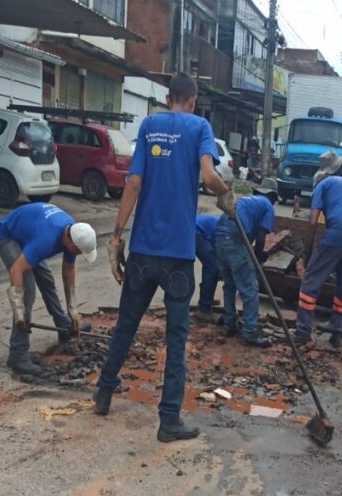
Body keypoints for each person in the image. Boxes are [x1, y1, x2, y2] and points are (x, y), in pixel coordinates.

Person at [94, 73, 236, 443]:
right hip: (177, 256)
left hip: (142, 250)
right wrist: (226, 195)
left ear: (168, 97)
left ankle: (104, 393)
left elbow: (134, 184)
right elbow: (208, 176)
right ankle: (169, 419)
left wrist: (117, 236)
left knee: (126, 325)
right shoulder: (200, 126)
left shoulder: (150, 125)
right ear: (192, 100)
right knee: (176, 338)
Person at [0, 202, 98, 376]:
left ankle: (64, 325)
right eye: (80, 252)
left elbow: (68, 272)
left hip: (29, 235)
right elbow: (16, 270)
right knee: (28, 290)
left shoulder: (73, 232)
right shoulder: (46, 240)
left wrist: (72, 310)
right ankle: (17, 354)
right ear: (72, 245)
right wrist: (20, 312)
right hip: (8, 235)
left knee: (47, 280)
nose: (79, 255)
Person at [294, 153, 342, 349]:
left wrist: (307, 252)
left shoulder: (322, 185)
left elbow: (313, 222)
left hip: (338, 234)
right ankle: (337, 332)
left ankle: (303, 332)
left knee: (310, 282)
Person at [214, 179, 279, 348]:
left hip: (220, 238)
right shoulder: (267, 206)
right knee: (250, 289)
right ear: (273, 197)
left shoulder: (246, 201)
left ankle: (230, 324)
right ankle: (249, 332)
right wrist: (258, 261)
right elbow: (261, 236)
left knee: (230, 285)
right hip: (235, 240)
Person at [194, 213, 220, 324]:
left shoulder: (223, 224)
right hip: (196, 232)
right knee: (213, 268)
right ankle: (204, 309)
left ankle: (206, 298)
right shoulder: (226, 230)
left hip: (196, 229)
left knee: (211, 266)